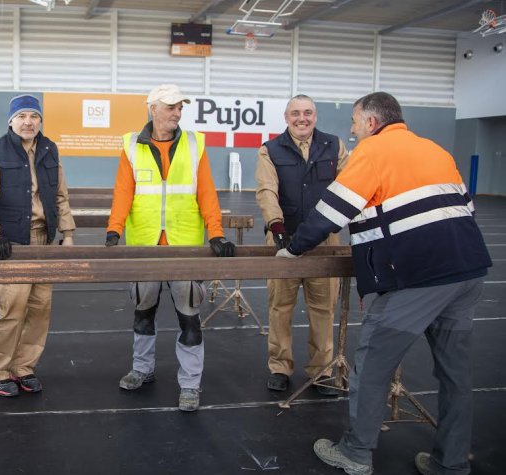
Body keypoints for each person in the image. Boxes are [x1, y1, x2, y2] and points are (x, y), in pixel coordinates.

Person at [277, 92, 491, 475]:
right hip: (468, 270)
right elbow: (465, 208)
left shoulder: (372, 151)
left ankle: (356, 453)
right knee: (455, 375)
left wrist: (293, 250)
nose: (353, 130)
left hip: (419, 277)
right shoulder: (435, 150)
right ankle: (451, 463)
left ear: (372, 123)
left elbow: (333, 209)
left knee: (373, 366)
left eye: (356, 123)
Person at [106, 84, 235, 412]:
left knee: (189, 316)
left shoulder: (194, 144)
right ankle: (142, 369)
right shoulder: (131, 145)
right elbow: (124, 191)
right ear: (153, 109)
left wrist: (216, 233)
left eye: (180, 107)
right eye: (170, 107)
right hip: (144, 245)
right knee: (142, 312)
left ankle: (190, 384)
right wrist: (114, 229)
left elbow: (207, 192)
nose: (177, 112)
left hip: (185, 245)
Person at [0, 94, 76, 397]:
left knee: (40, 308)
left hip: (44, 239)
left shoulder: (49, 149)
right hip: (12, 242)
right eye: (22, 116)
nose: (28, 122)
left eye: (34, 116)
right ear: (11, 120)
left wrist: (67, 234)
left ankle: (24, 367)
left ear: (40, 120)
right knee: (13, 308)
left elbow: (60, 196)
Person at [255, 94, 349, 395]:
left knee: (324, 309)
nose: (302, 118)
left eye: (308, 113)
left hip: (325, 243)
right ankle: (280, 367)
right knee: (280, 307)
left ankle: (321, 371)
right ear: (286, 117)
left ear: (316, 116)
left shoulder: (335, 146)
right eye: (295, 113)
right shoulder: (270, 149)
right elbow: (267, 190)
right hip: (284, 241)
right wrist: (276, 225)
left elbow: (351, 187)